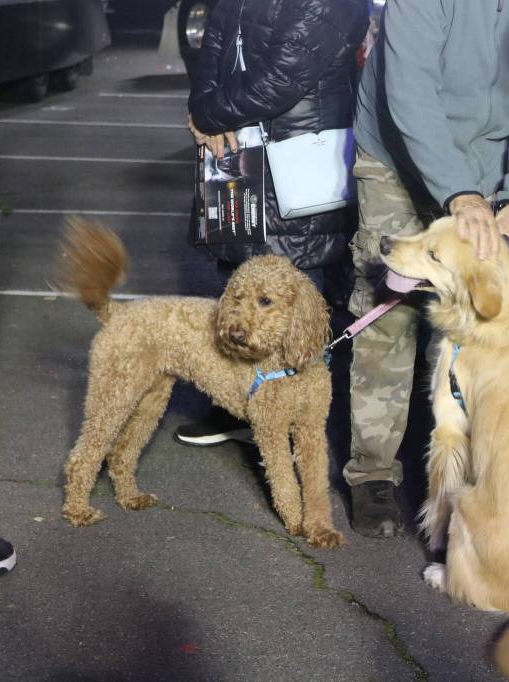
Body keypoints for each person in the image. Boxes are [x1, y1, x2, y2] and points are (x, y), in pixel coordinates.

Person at [346, 0, 509, 537]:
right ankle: (372, 473)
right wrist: (461, 196)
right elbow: (411, 93)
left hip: (489, 163)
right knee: (389, 316)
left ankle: (467, 480)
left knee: (486, 324)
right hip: (397, 156)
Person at [177, 0, 368, 446]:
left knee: (297, 290)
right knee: (239, 277)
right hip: (237, 145)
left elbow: (285, 75)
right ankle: (238, 404)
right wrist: (201, 106)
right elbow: (212, 46)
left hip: (299, 153)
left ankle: (295, 413)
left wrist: (207, 115)